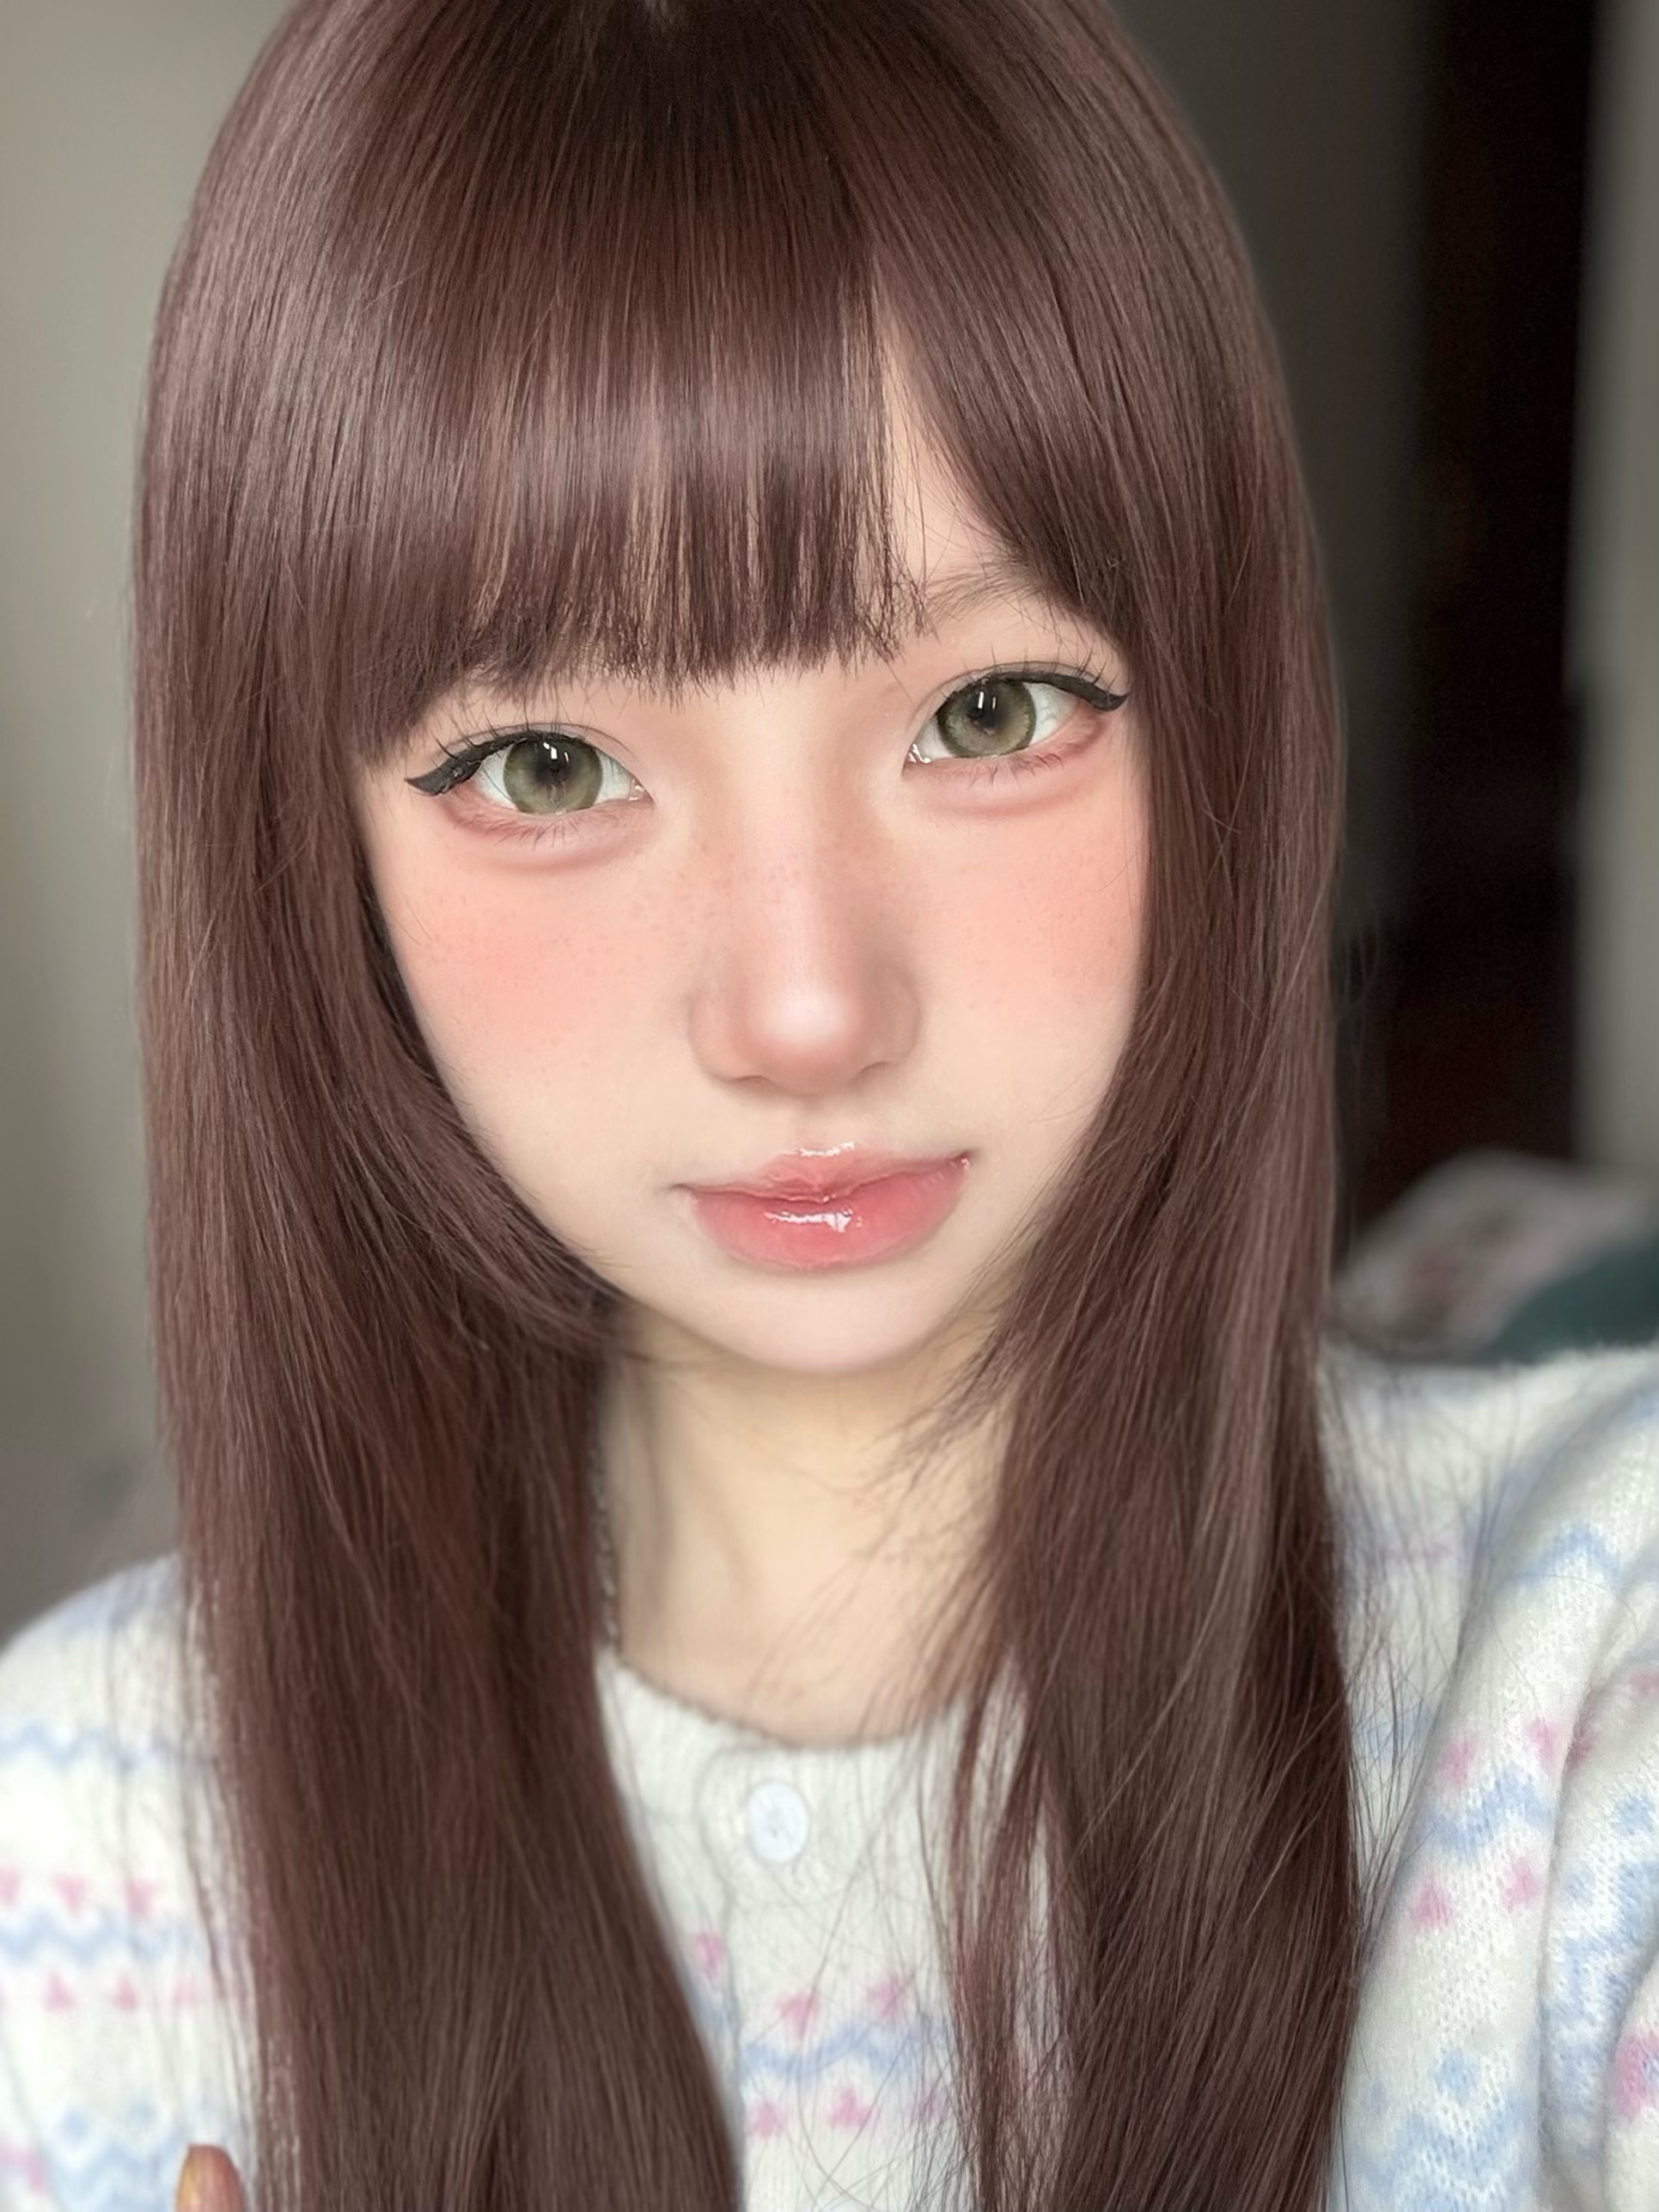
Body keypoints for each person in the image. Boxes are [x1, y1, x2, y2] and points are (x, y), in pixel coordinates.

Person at [1, 0, 1656, 2207]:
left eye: (989, 713)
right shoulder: (76, 1863)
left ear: (1223, 717)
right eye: (552, 766)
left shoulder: (1588, 1655)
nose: (806, 1012)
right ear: (312, 848)